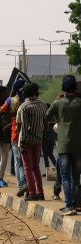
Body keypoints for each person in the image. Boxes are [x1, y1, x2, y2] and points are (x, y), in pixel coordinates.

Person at [46, 75, 81, 215]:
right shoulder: (80, 102)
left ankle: (69, 205)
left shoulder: (58, 103)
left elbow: (47, 116)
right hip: (78, 146)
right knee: (75, 177)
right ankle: (76, 204)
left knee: (65, 177)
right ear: (75, 88)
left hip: (63, 146)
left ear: (63, 89)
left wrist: (59, 119)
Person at [16, 83, 47, 201]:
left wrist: (22, 142)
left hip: (27, 141)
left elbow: (21, 127)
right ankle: (41, 192)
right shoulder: (43, 105)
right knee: (36, 167)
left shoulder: (24, 107)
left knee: (27, 168)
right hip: (38, 139)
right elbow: (45, 124)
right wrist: (42, 138)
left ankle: (33, 193)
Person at [0, 79, 27, 196]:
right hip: (29, 134)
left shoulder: (11, 100)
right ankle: (29, 184)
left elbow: (2, 109)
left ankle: (21, 185)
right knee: (29, 162)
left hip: (16, 133)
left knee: (18, 161)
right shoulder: (28, 100)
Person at [42, 104, 57, 171]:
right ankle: (57, 167)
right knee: (50, 153)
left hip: (46, 137)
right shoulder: (54, 116)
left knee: (45, 154)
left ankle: (47, 170)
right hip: (52, 137)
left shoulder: (45, 117)